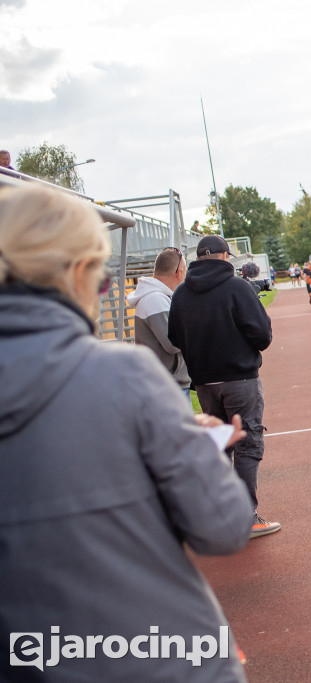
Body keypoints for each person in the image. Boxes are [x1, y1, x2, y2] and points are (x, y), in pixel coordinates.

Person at [0, 185, 253, 681]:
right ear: (76, 275)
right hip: (158, 656)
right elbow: (223, 526)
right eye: (100, 282)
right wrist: (192, 447)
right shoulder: (124, 376)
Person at [167, 234, 280, 538]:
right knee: (246, 445)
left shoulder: (180, 294)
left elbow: (174, 338)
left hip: (203, 383)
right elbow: (263, 335)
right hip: (239, 380)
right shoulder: (237, 287)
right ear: (222, 257)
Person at [127, 246, 191, 402]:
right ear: (179, 272)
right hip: (167, 387)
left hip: (167, 384)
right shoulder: (155, 299)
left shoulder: (157, 297)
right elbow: (172, 343)